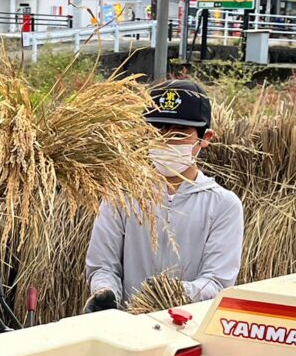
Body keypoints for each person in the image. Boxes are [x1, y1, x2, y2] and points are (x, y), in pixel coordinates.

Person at [84, 79, 244, 312]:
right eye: (157, 131)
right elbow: (102, 267)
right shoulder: (122, 195)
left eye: (180, 134)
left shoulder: (222, 205)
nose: (167, 141)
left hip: (188, 329)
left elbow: (217, 281)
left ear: (205, 138)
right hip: (128, 326)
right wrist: (106, 294)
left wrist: (168, 292)